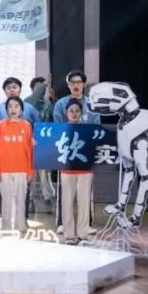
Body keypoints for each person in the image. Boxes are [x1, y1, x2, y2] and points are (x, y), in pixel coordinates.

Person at [0, 95, 33, 233]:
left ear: (21, 109)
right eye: (10, 106)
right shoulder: (0, 126)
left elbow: (29, 150)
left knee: (20, 200)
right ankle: (5, 227)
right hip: (4, 169)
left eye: (16, 106)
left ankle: (20, 226)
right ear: (6, 109)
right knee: (5, 200)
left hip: (22, 169)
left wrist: (30, 171)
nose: (13, 109)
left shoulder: (26, 126)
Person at [59, 101, 94, 244]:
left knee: (84, 201)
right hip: (67, 170)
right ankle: (69, 234)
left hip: (85, 170)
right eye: (71, 111)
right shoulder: (60, 129)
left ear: (81, 113)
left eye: (77, 111)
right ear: (66, 113)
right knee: (67, 202)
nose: (74, 114)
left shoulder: (88, 130)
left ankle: (83, 233)